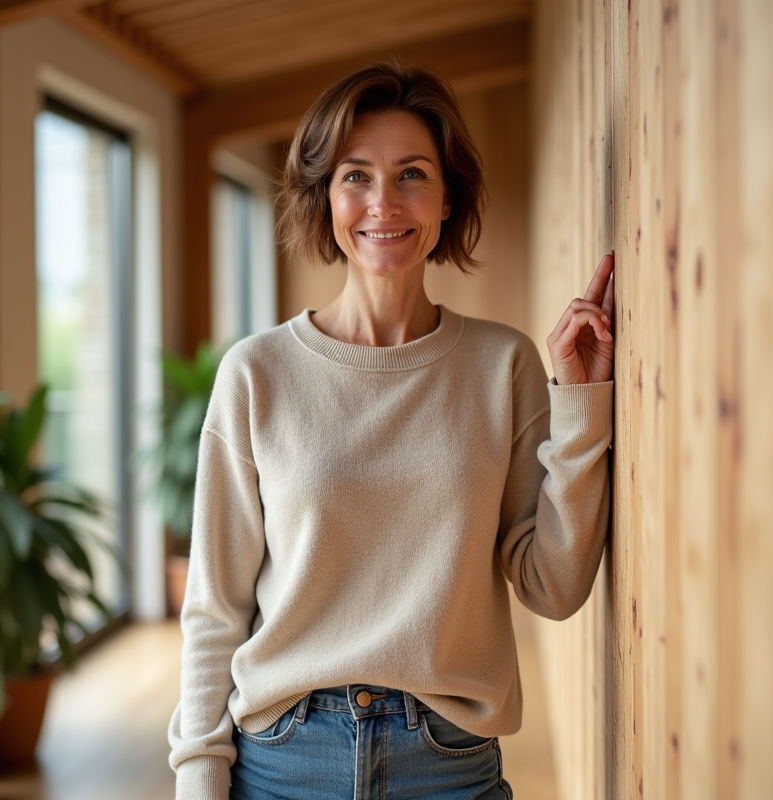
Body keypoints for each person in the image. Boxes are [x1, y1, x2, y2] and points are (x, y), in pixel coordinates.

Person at [168, 61, 615, 800]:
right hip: (281, 760)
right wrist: (198, 781)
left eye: (411, 174)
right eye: (355, 176)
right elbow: (215, 608)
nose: (383, 202)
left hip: (448, 763)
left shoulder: (503, 365)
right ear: (324, 197)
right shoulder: (256, 374)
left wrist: (582, 397)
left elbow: (554, 585)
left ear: (446, 199)